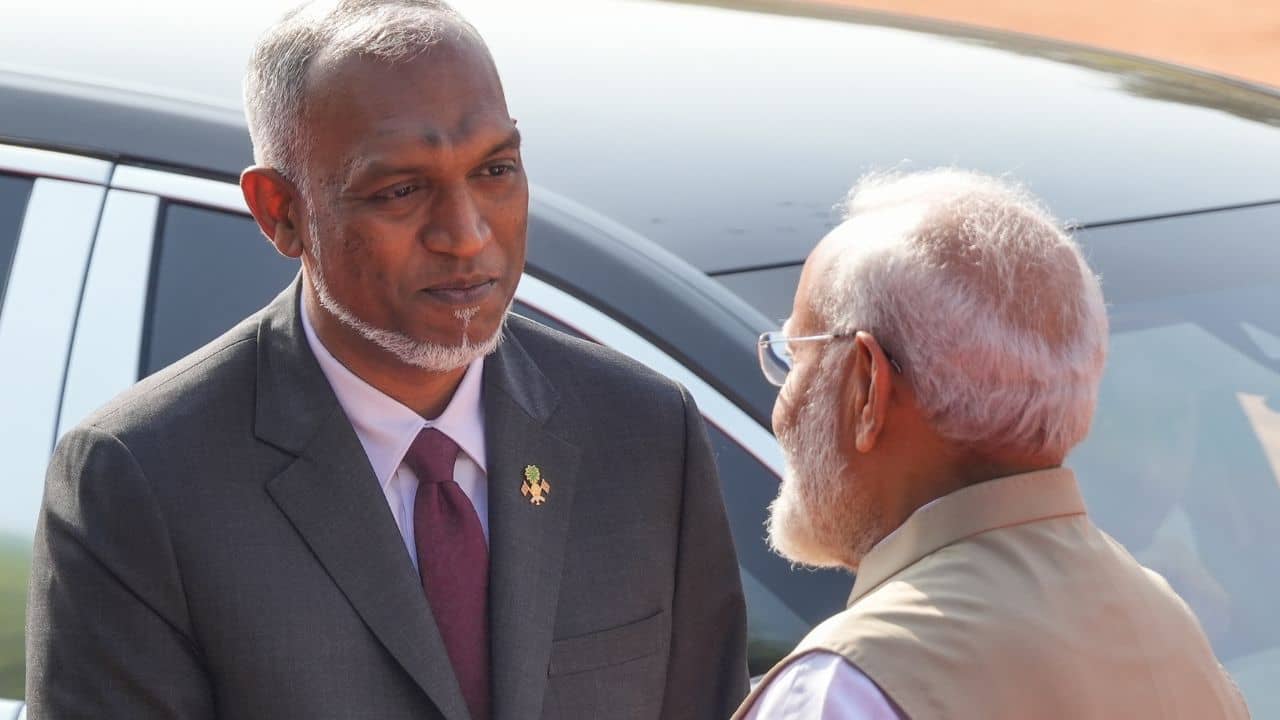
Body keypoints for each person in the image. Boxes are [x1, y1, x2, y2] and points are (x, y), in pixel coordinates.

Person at [24, 2, 747, 718]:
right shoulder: (144, 478)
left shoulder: (645, 434)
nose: (466, 234)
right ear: (280, 211)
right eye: (401, 190)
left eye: (495, 169)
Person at [735, 169, 1249, 720]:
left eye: (796, 355)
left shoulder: (846, 687)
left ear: (867, 387)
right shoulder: (1164, 622)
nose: (783, 404)